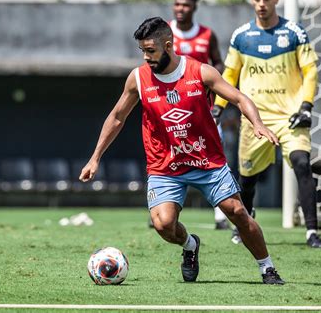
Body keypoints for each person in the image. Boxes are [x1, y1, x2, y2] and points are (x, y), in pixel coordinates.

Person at [79, 17, 284, 284]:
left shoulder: (201, 72)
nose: (146, 57)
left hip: (206, 161)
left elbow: (239, 98)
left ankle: (267, 268)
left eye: (150, 51)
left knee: (236, 211)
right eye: (142, 51)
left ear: (168, 45)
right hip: (165, 167)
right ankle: (190, 246)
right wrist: (95, 158)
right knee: (163, 224)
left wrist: (257, 123)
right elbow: (117, 117)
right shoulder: (138, 78)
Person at [212, 0, 321, 248]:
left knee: (302, 163)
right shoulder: (241, 36)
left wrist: (306, 105)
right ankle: (244, 222)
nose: (262, 3)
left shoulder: (295, 32)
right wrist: (218, 107)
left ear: (276, 0)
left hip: (290, 116)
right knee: (247, 178)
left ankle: (312, 232)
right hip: (255, 118)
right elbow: (229, 75)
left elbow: (310, 71)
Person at [169, 0, 229, 230]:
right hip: (171, 112)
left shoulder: (207, 35)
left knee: (214, 158)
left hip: (203, 113)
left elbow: (219, 64)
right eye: (177, 4)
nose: (180, 8)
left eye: (185, 4)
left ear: (194, 6)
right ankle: (162, 209)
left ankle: (221, 216)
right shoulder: (165, 31)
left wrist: (209, 80)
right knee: (167, 157)